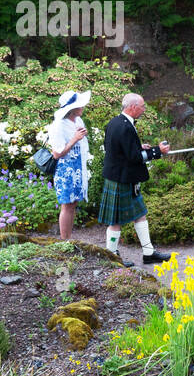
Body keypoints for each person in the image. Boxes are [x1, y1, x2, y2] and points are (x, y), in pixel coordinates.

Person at [97, 93, 171, 264]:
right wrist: (157, 151)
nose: (144, 110)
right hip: (121, 179)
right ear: (132, 107)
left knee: (140, 214)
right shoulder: (125, 127)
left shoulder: (115, 122)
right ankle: (112, 257)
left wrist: (139, 147)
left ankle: (149, 252)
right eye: (142, 106)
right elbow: (133, 157)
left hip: (122, 176)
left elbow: (120, 149)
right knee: (115, 221)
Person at [48, 89, 92, 239]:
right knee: (66, 205)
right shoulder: (58, 125)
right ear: (72, 108)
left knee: (73, 204)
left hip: (78, 168)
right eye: (80, 105)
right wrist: (75, 139)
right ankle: (64, 240)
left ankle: (68, 238)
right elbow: (57, 154)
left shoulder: (78, 120)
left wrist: (81, 135)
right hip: (65, 170)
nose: (83, 107)